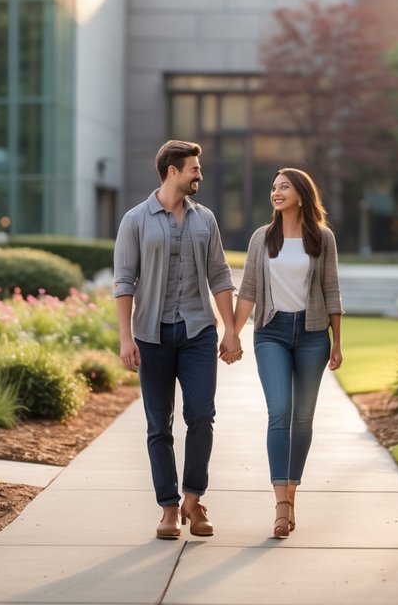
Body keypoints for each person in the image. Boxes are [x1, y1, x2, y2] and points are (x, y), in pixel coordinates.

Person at [113, 140, 237, 540]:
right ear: (172, 171)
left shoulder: (206, 220)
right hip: (151, 335)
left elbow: (220, 276)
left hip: (199, 331)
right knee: (158, 424)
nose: (199, 174)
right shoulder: (135, 220)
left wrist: (231, 329)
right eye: (194, 169)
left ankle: (193, 499)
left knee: (201, 415)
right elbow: (123, 281)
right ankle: (168, 508)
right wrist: (125, 338)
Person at [224, 167, 343, 539]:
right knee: (280, 413)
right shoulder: (262, 238)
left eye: (284, 187)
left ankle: (291, 493)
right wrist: (232, 334)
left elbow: (332, 291)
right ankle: (280, 505)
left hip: (312, 335)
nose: (276, 193)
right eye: (273, 188)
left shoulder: (322, 239)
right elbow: (248, 290)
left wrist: (337, 341)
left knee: (303, 419)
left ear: (301, 193)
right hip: (271, 332)